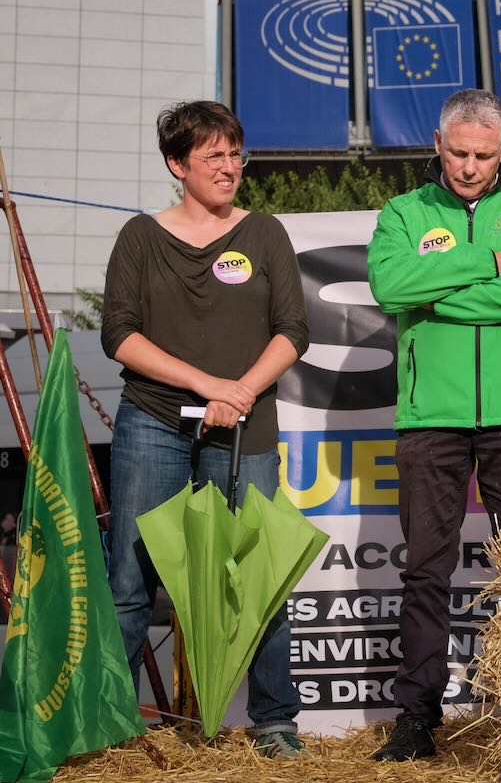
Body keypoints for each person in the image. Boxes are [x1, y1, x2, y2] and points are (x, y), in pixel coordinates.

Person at [102, 101, 310, 758]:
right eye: (213, 156)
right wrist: (207, 384)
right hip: (153, 424)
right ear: (177, 165)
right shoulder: (140, 237)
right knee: (132, 582)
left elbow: (293, 330)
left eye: (236, 153)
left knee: (256, 574)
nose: (229, 168)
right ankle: (110, 725)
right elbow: (120, 337)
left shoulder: (265, 233)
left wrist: (243, 390)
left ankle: (277, 723)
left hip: (245, 428)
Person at [366, 89, 501, 761]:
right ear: (437, 143)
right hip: (430, 418)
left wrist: (438, 290)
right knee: (426, 569)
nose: (470, 167)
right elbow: (392, 288)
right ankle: (417, 717)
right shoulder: (404, 212)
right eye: (458, 153)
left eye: (483, 155)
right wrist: (484, 263)